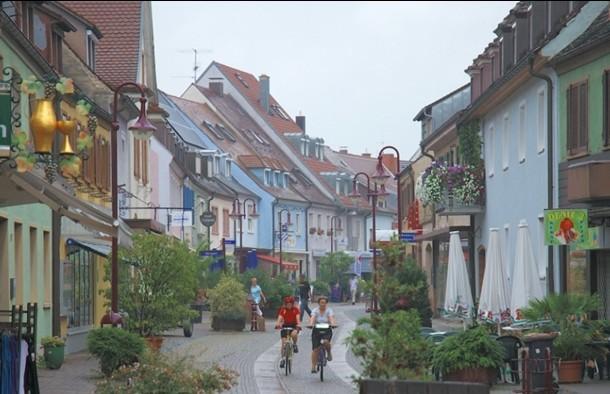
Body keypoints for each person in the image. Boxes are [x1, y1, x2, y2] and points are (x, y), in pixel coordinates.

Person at [309, 296, 336, 374]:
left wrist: (333, 324)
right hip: (316, 330)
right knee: (315, 349)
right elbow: (312, 318)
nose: (323, 304)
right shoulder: (315, 311)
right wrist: (311, 324)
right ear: (319, 303)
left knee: (326, 342)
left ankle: (329, 352)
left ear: (326, 304)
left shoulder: (329, 311)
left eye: (324, 303)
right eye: (321, 302)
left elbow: (331, 318)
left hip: (326, 330)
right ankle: (313, 367)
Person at [275, 296, 301, 368]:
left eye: (290, 304)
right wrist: (278, 324)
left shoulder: (296, 310)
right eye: (287, 304)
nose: (289, 305)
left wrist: (298, 324)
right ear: (285, 304)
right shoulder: (283, 310)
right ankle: (283, 359)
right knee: (283, 343)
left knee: (294, 334)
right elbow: (280, 318)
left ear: (292, 304)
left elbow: (298, 318)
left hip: (293, 326)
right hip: (285, 326)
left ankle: (295, 344)